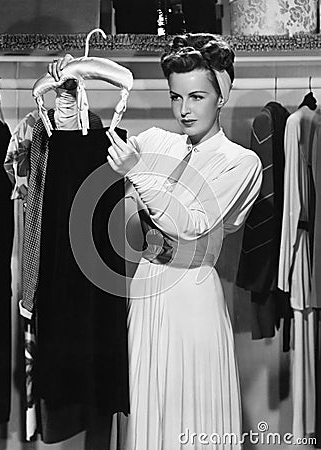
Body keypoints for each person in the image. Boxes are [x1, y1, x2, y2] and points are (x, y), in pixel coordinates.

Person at [49, 33, 262, 450]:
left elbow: (192, 223)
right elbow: (89, 156)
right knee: (149, 406)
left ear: (222, 96)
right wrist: (70, 102)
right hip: (146, 292)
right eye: (176, 97)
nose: (184, 110)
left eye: (197, 97)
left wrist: (138, 172)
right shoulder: (157, 142)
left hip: (193, 297)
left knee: (190, 408)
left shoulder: (240, 161)